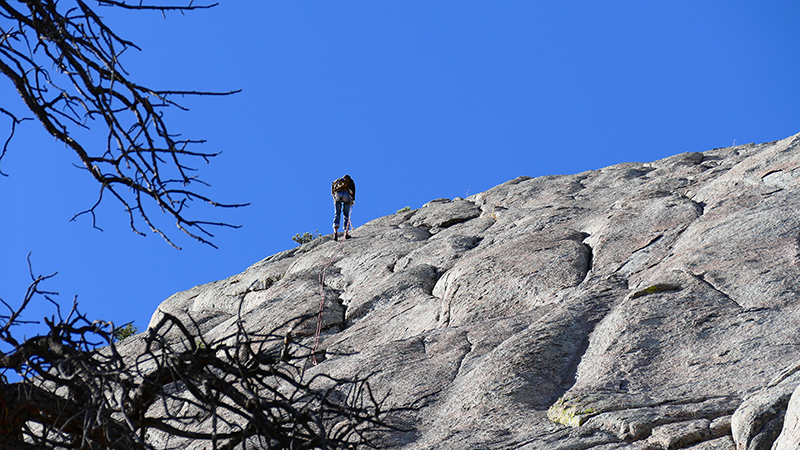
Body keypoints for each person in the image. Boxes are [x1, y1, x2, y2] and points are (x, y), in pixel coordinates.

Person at [331, 174, 355, 241]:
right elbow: (353, 192)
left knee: (337, 214)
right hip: (345, 195)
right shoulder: (350, 182)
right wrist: (352, 200)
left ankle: (335, 232)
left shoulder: (337, 181)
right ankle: (346, 233)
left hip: (337, 195)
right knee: (346, 215)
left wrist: (334, 197)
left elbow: (332, 192)